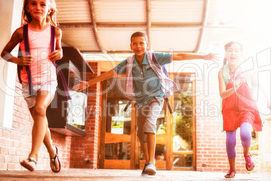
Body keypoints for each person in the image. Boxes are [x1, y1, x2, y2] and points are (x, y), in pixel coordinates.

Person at [73, 31, 218, 176]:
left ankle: (151, 163)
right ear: (131, 46)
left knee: (150, 123)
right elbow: (111, 73)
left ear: (147, 45)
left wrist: (203, 56)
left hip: (157, 97)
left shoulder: (154, 57)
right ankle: (147, 163)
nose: (138, 46)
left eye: (141, 43)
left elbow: (178, 56)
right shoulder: (129, 62)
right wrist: (89, 83)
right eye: (135, 43)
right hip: (140, 101)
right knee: (141, 135)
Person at [0, 0, 62, 173]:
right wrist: (17, 60)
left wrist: (59, 53)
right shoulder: (21, 32)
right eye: (33, 3)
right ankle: (52, 152)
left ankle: (33, 158)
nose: (38, 7)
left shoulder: (55, 32)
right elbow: (4, 53)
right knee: (39, 119)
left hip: (49, 79)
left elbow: (59, 51)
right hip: (29, 82)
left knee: (40, 109)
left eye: (43, 4)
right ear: (27, 7)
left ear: (49, 9)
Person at [218, 41, 271, 178]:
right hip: (229, 109)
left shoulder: (247, 70)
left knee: (246, 134)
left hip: (246, 107)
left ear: (241, 54)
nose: (233, 53)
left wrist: (268, 98)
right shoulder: (222, 72)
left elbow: (259, 84)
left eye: (236, 50)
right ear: (226, 53)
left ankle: (246, 153)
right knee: (230, 141)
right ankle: (232, 169)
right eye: (230, 50)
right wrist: (233, 89)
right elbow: (222, 94)